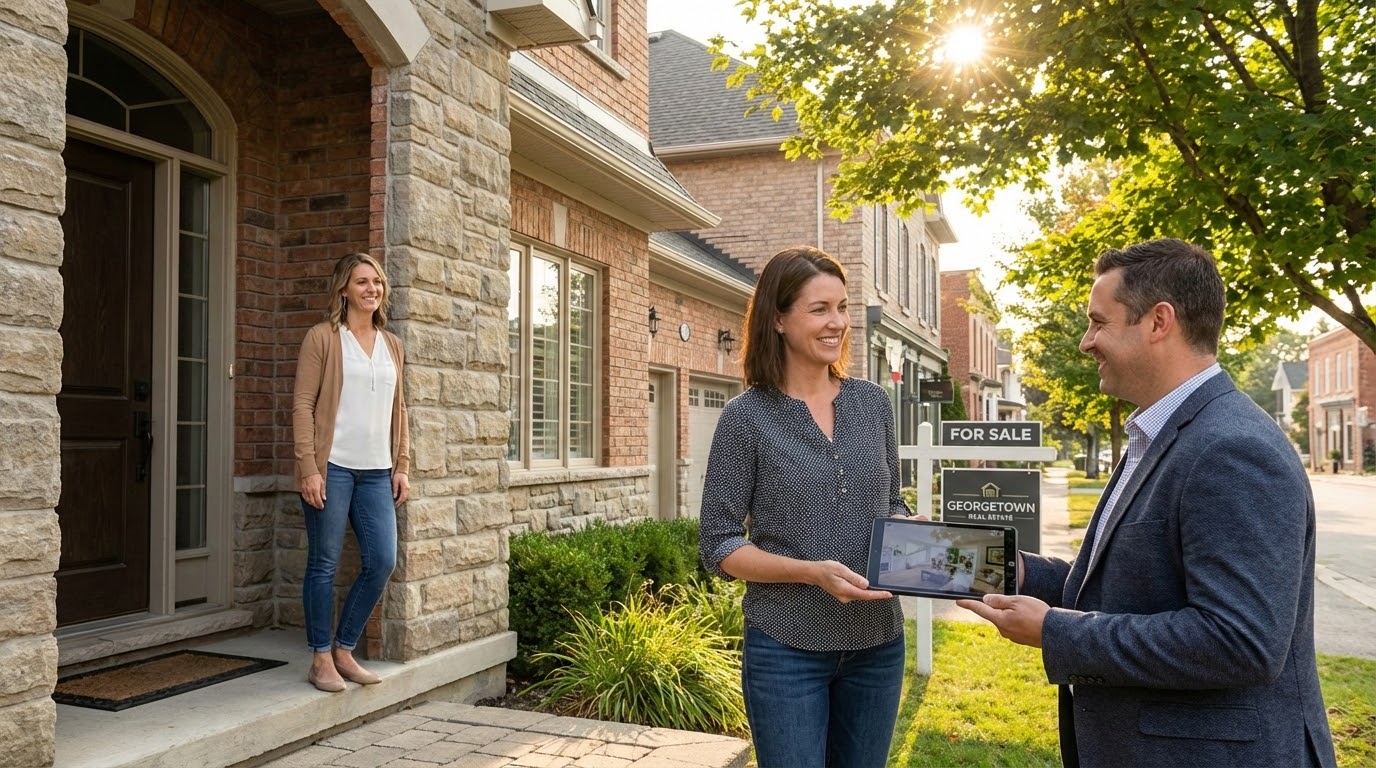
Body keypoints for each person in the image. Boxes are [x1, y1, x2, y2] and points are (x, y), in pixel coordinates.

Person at [959, 239, 1335, 767]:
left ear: (1159, 322)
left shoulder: (1232, 448)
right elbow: (1136, 583)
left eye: (1099, 322)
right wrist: (1010, 570)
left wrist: (1054, 631)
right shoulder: (1161, 433)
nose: (1087, 342)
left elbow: (1240, 640)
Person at [698, 246, 910, 768]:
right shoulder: (745, 418)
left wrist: (915, 535)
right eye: (820, 309)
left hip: (877, 643)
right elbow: (719, 545)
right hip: (785, 647)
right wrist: (811, 573)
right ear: (778, 318)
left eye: (841, 307)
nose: (837, 322)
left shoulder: (873, 404)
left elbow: (892, 504)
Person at [292, 252, 410, 693]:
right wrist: (309, 467)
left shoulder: (391, 344)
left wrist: (401, 465)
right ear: (344, 289)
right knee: (323, 563)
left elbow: (399, 409)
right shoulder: (323, 338)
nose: (371, 289)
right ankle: (320, 657)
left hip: (377, 472)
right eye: (362, 282)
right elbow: (303, 405)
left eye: (376, 282)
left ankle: (345, 649)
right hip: (333, 467)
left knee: (381, 560)